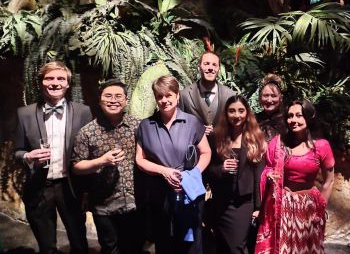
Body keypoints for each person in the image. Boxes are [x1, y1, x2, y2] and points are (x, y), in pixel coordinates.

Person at [14, 61, 92, 254]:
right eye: (49, 78)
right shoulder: (24, 114)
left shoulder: (83, 112)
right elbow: (18, 151)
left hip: (71, 187)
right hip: (40, 187)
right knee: (47, 246)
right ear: (41, 82)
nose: (55, 83)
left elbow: (89, 152)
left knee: (79, 242)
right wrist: (28, 156)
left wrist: (88, 190)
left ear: (67, 84)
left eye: (60, 78)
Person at [135, 75, 211, 254]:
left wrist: (191, 175)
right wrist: (164, 171)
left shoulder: (192, 122)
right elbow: (140, 159)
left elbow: (206, 153)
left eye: (168, 95)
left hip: (189, 192)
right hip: (160, 192)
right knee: (164, 241)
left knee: (191, 242)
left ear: (177, 96)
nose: (164, 100)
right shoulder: (145, 126)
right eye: (159, 96)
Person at [72, 79, 143, 254]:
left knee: (134, 247)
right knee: (110, 248)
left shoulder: (138, 126)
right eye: (108, 96)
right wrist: (101, 161)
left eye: (118, 96)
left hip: (134, 202)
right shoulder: (87, 132)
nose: (113, 100)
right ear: (99, 100)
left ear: (126, 100)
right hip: (104, 205)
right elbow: (76, 166)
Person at [255, 99, 335, 253]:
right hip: (283, 204)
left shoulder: (321, 146)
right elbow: (268, 169)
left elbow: (329, 181)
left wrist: (320, 209)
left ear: (309, 117)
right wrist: (270, 175)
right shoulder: (279, 143)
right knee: (282, 248)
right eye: (290, 116)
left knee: (307, 248)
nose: (294, 120)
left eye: (299, 115)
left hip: (308, 207)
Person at [207, 95, 266, 253]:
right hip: (220, 201)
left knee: (236, 247)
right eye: (232, 111)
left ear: (247, 113)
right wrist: (221, 168)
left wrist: (258, 206)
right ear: (226, 114)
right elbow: (207, 170)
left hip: (243, 203)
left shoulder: (255, 139)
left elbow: (259, 176)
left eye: (241, 111)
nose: (236, 115)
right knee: (222, 247)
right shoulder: (216, 138)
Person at [179, 51, 236, 136]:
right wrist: (196, 130)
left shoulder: (230, 95)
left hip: (222, 147)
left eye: (214, 65)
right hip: (195, 147)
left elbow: (236, 125)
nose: (210, 68)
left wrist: (219, 131)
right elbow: (179, 124)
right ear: (199, 67)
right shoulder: (185, 95)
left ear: (218, 70)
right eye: (206, 64)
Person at [256, 74, 287, 141]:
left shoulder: (287, 120)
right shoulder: (254, 120)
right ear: (260, 98)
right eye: (266, 96)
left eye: (273, 96)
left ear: (281, 98)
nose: (269, 100)